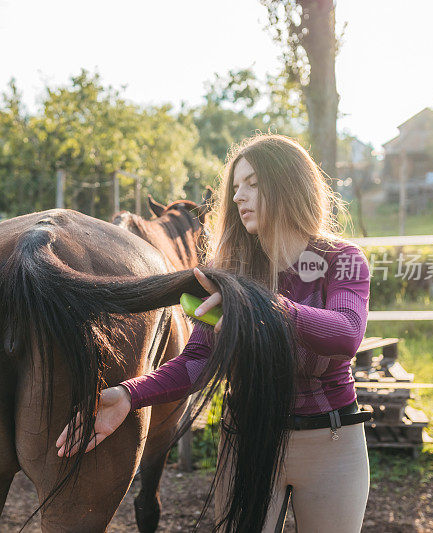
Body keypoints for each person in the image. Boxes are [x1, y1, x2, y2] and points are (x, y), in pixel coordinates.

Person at [56, 133, 372, 532]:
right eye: (236, 187)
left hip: (332, 443)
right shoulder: (228, 272)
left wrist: (258, 307)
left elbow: (345, 334)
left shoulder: (342, 260)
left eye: (253, 184)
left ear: (291, 185)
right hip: (247, 443)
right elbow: (196, 363)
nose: (239, 197)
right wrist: (127, 395)